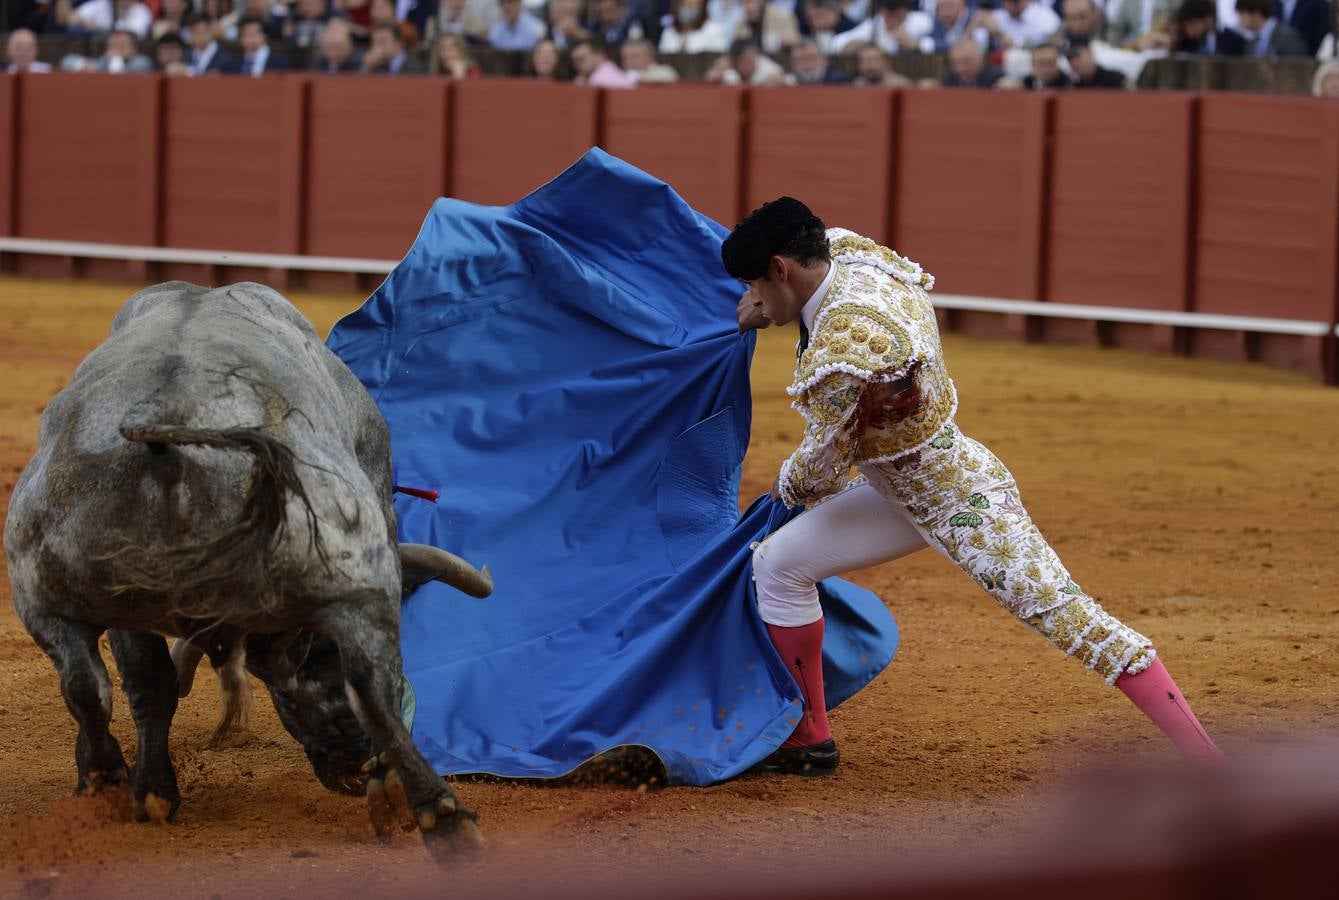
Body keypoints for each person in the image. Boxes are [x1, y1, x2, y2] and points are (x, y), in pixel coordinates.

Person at [725, 199, 1225, 775]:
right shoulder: (848, 254)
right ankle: (808, 740)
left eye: (756, 283)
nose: (754, 296)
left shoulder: (852, 342)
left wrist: (781, 490)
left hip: (960, 499)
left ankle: (1209, 763)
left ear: (782, 269)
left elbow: (823, 466)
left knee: (1069, 618)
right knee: (778, 564)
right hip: (895, 489)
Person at [830, 0, 929, 55]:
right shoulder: (876, 24)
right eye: (888, 16)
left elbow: (939, 43)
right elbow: (837, 42)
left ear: (905, 11)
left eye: (896, 16)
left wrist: (916, 45)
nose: (892, 20)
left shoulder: (922, 21)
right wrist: (866, 44)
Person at [1218, 0, 1309, 55]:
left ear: (1256, 14)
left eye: (1242, 14)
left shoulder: (1288, 37)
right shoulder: (1251, 43)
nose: (1239, 19)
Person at [61, 28, 156, 71]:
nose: (115, 50)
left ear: (134, 49)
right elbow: (67, 61)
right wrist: (82, 65)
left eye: (121, 46)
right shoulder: (103, 61)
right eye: (112, 46)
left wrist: (116, 59)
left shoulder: (142, 62)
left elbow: (120, 78)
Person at [659, 0, 734, 53]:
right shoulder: (669, 32)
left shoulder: (713, 30)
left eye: (693, 5)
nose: (688, 9)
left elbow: (720, 57)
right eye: (684, 5)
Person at [571, 34, 636, 85]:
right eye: (575, 61)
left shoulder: (600, 78)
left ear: (599, 56)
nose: (577, 65)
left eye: (581, 59)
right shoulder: (609, 69)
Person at [1063, 38, 1128, 85]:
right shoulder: (1075, 88)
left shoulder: (1115, 80)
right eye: (1069, 59)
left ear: (1090, 52)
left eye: (1077, 56)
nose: (1074, 63)